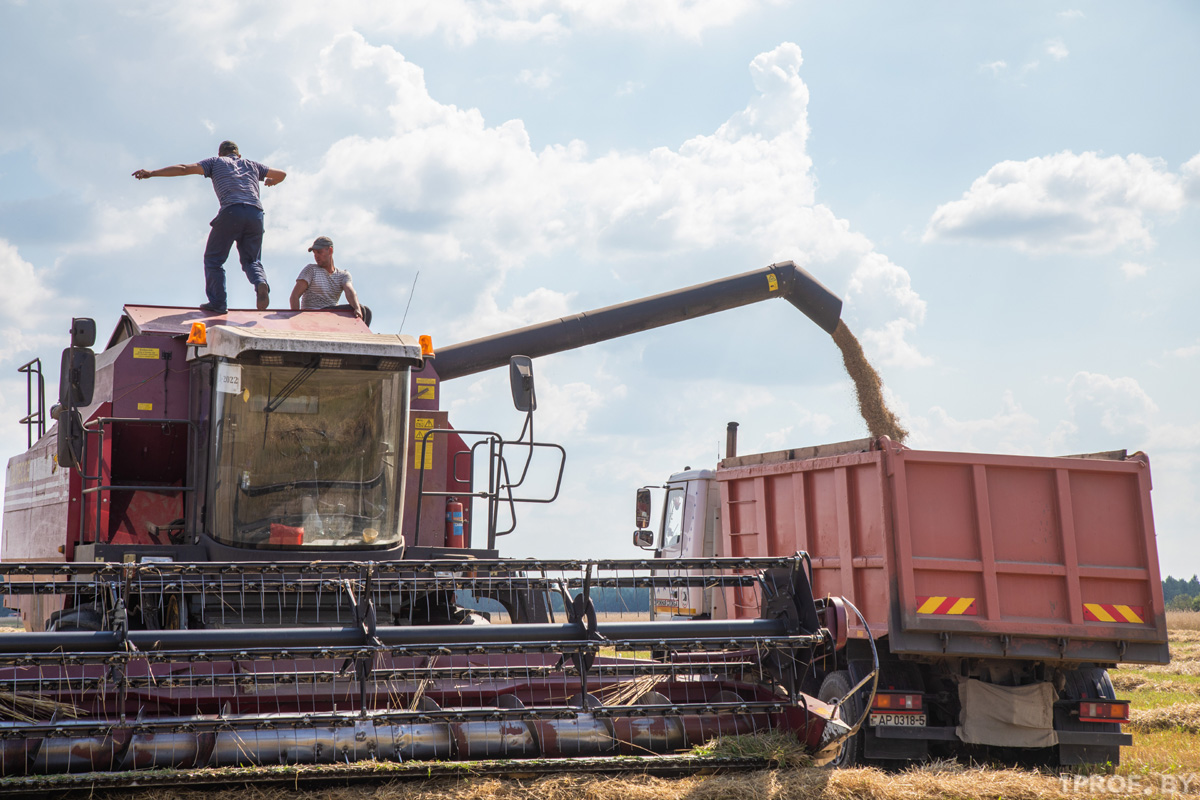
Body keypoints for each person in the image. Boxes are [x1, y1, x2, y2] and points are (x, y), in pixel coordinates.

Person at [132, 140, 286, 314]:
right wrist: (272, 181)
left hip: (231, 211)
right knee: (252, 260)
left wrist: (151, 173)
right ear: (238, 154)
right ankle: (260, 282)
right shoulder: (251, 165)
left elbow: (184, 168)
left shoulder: (214, 162)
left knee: (214, 259)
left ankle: (218, 303)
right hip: (255, 214)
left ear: (220, 153)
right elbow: (282, 174)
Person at [290, 236, 372, 326]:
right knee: (359, 309)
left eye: (319, 252)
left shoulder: (342, 275)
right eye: (314, 253)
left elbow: (350, 291)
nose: (316, 256)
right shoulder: (311, 270)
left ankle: (359, 335)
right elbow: (294, 296)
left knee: (365, 311)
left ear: (330, 251)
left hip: (331, 316)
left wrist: (357, 309)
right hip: (313, 315)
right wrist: (296, 320)